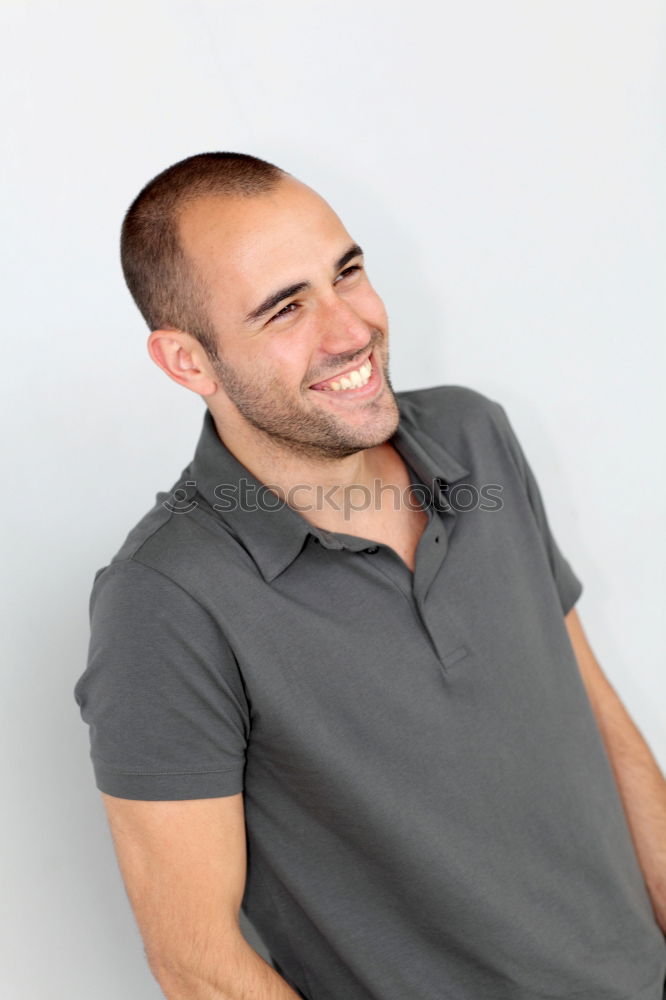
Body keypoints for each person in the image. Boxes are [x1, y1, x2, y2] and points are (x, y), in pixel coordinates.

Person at [73, 152, 666, 1000]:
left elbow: (595, 714)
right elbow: (198, 964)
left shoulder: (474, 437)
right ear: (188, 362)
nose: (351, 330)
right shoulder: (164, 601)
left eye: (346, 272)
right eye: (284, 310)